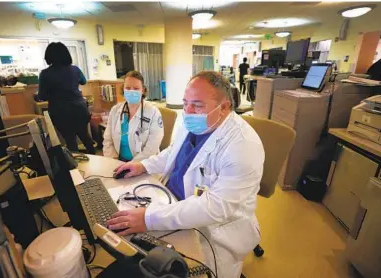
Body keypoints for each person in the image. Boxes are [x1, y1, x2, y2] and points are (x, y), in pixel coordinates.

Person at [107, 71, 264, 278]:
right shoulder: (197, 122)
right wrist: (143, 165)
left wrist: (148, 218)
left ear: (224, 107)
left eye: (197, 105)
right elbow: (173, 152)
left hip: (213, 231)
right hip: (169, 203)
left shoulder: (243, 147)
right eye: (185, 103)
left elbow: (215, 208)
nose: (188, 112)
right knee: (129, 254)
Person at [38, 42, 96, 154]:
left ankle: (76, 168)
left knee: (70, 140)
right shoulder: (75, 69)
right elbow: (83, 81)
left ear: (48, 56)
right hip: (80, 109)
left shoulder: (45, 74)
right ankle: (95, 159)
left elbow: (42, 96)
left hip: (60, 111)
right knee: (85, 136)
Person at [103, 71, 164, 162]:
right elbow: (108, 140)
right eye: (128, 88)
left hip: (144, 164)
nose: (131, 91)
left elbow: (152, 148)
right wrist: (114, 161)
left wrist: (132, 165)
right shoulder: (115, 110)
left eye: (136, 88)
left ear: (142, 90)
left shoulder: (153, 112)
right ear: (123, 89)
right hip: (118, 162)